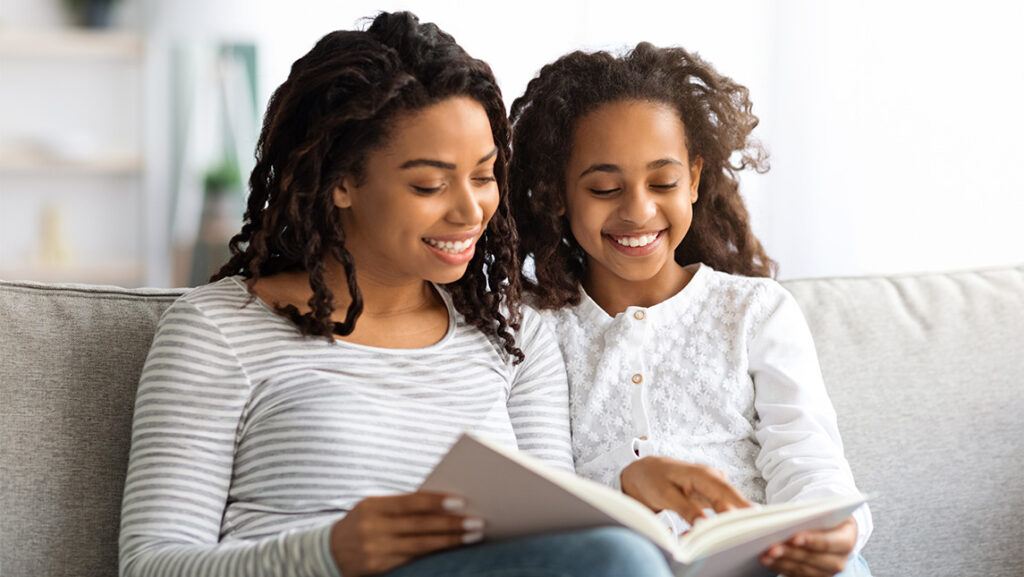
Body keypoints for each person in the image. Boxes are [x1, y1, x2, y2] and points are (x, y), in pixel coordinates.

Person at [118, 13, 673, 577]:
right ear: (340, 181)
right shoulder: (217, 331)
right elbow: (150, 564)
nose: (470, 211)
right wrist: (328, 553)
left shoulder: (512, 336)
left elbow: (556, 541)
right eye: (429, 184)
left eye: (483, 176)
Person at [509, 42, 874, 577]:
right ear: (557, 193)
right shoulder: (535, 328)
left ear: (695, 179)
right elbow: (543, 503)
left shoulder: (755, 311)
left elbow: (808, 459)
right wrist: (626, 483)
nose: (638, 210)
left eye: (663, 182)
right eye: (605, 187)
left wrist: (834, 530)